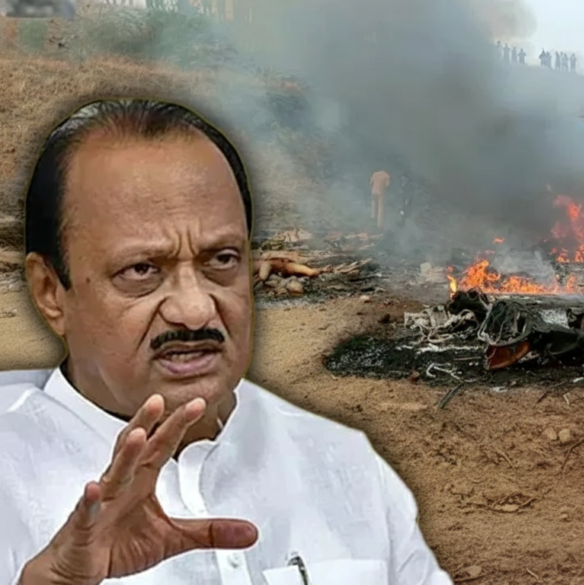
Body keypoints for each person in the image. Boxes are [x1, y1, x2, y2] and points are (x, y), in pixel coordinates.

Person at [0, 98, 451, 585]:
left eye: (221, 260)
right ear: (50, 292)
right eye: (141, 270)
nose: (195, 310)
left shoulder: (346, 467)